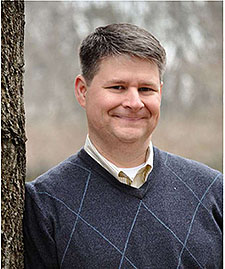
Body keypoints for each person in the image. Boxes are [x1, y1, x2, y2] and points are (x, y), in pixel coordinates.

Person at [23, 23, 222, 269]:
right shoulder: (43, 204)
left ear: (160, 93)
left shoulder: (213, 191)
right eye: (118, 87)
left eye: (146, 89)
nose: (134, 102)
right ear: (82, 91)